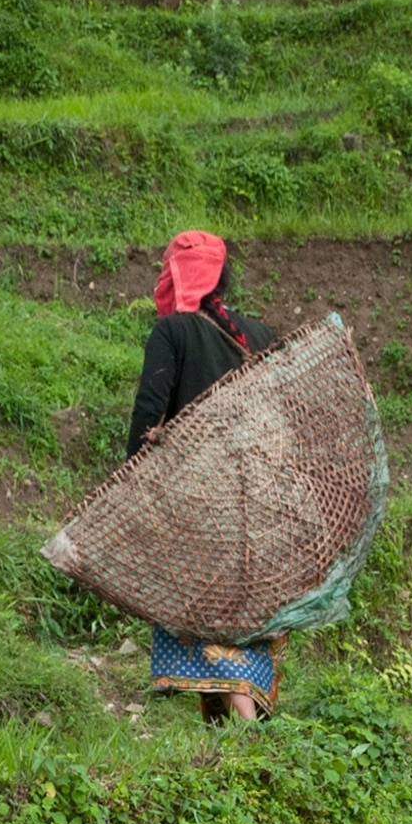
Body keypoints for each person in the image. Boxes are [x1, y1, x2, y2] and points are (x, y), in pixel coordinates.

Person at [126, 232, 284, 726]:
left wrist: (130, 481)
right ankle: (228, 735)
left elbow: (149, 415)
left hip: (199, 505)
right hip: (262, 509)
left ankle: (249, 730)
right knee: (244, 614)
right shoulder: (260, 335)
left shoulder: (172, 332)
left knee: (204, 614)